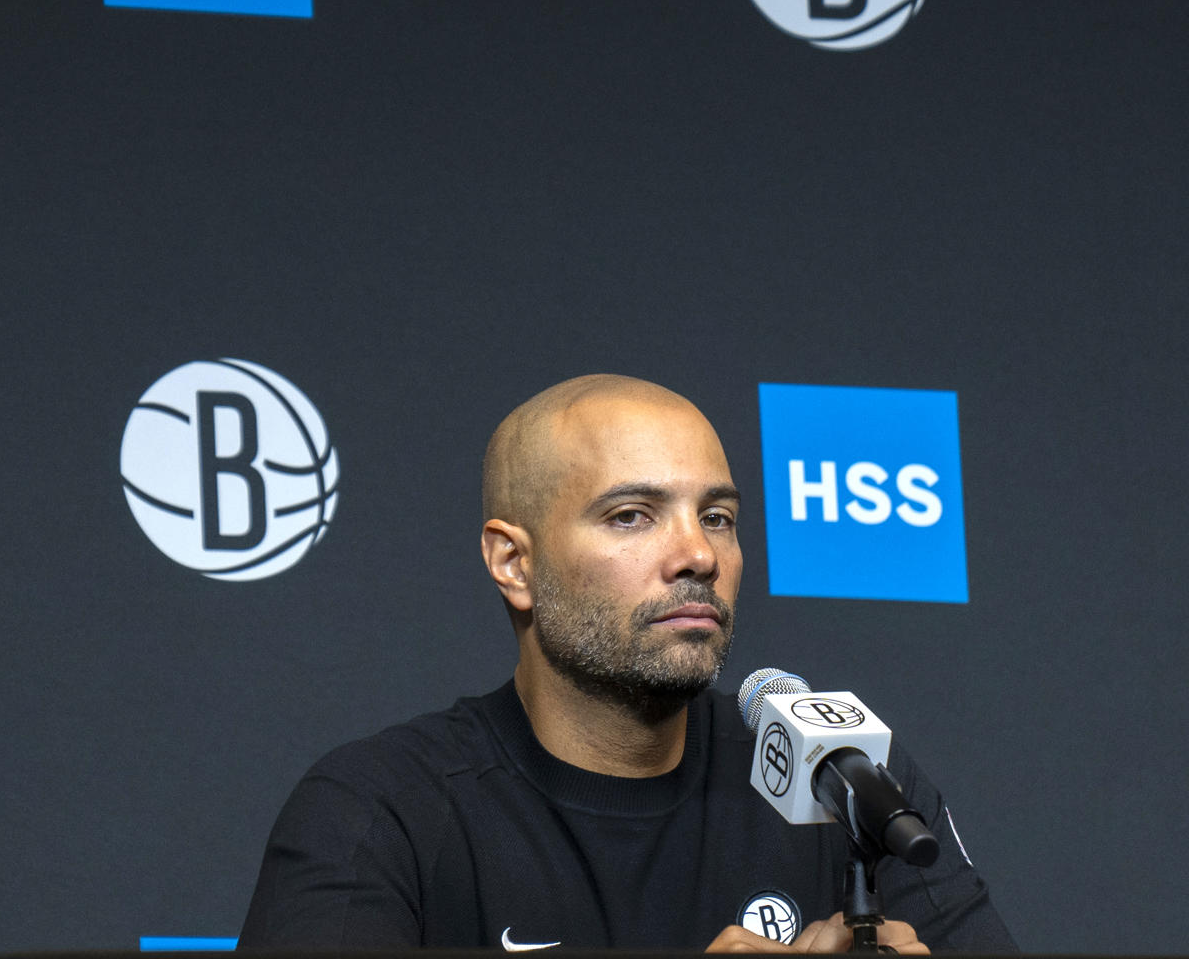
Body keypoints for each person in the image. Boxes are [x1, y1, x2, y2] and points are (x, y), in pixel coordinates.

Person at [239, 375, 1013, 952]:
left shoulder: (844, 780)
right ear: (514, 562)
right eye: (631, 516)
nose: (698, 554)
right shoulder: (379, 810)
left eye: (718, 517)